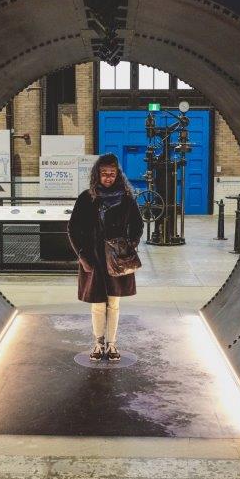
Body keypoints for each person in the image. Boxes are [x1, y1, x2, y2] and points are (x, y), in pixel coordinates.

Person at [67, 153, 144, 362]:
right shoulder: (86, 198)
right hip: (94, 259)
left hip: (118, 259)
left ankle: (112, 344)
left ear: (117, 174)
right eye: (104, 174)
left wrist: (128, 248)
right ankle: (98, 343)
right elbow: (73, 229)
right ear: (97, 175)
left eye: (112, 173)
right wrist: (82, 256)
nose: (108, 177)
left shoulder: (127, 198)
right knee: (98, 304)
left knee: (114, 303)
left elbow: (138, 225)